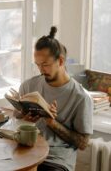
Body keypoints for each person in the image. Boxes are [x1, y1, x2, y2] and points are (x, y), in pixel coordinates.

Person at [15, 26, 93, 171]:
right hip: (26, 151)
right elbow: (16, 121)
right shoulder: (29, 86)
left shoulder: (81, 97)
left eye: (45, 64)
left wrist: (52, 123)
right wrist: (23, 118)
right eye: (38, 65)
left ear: (61, 61)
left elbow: (83, 143)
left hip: (55, 160)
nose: (41, 70)